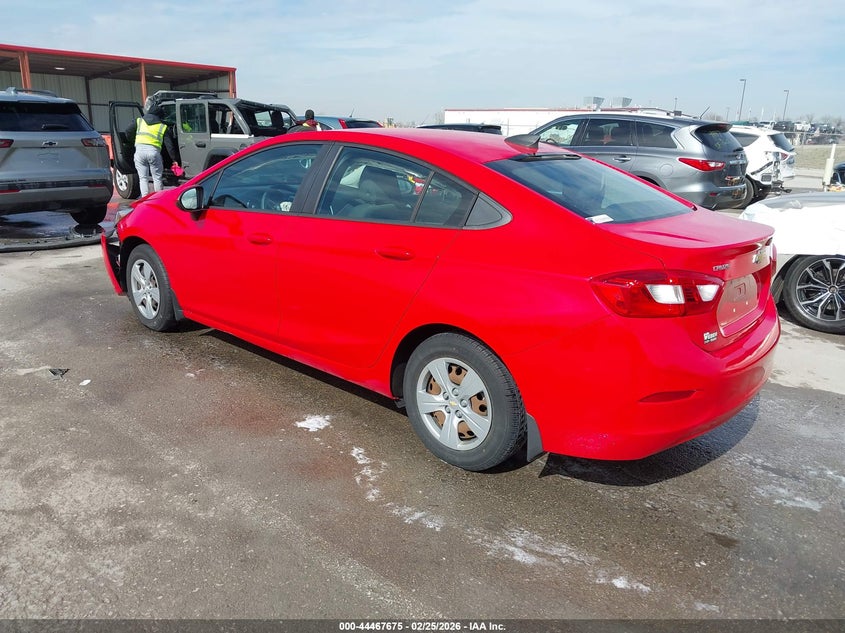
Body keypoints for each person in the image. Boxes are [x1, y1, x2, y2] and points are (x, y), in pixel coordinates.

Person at [125, 105, 181, 196]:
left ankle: (145, 199)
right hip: (153, 152)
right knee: (157, 178)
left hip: (139, 152)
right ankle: (157, 199)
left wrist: (132, 141)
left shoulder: (139, 121)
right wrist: (174, 159)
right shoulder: (162, 126)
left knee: (143, 178)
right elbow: (169, 146)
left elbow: (128, 131)